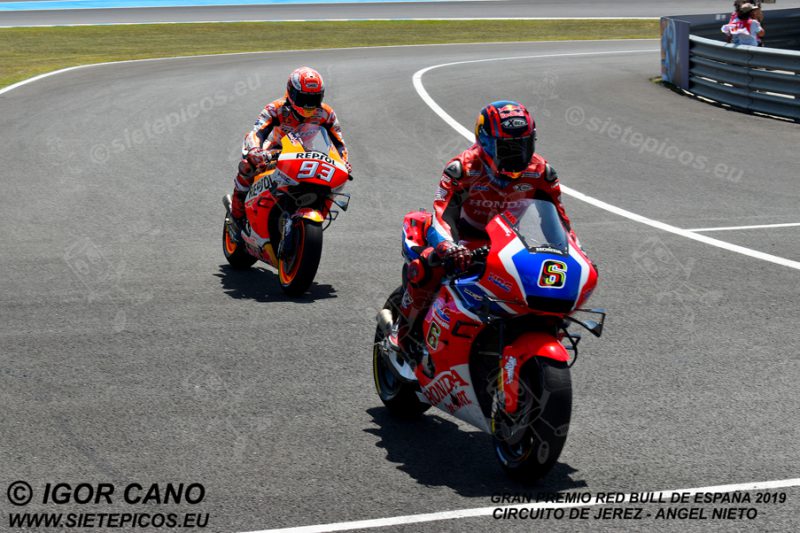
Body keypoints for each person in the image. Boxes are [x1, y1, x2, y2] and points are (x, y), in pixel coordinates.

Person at [386, 101, 577, 358]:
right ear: (485, 143)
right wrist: (448, 247)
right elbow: (442, 214)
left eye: (524, 145)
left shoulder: (541, 171)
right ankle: (404, 332)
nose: (517, 156)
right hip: (463, 240)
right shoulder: (462, 168)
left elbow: (560, 222)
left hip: (509, 243)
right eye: (508, 148)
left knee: (549, 279)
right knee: (428, 265)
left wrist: (575, 252)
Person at [229, 66, 350, 228]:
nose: (308, 105)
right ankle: (236, 217)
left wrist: (343, 162)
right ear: (291, 93)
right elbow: (257, 132)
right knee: (247, 166)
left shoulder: (326, 113)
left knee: (335, 179)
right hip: (275, 151)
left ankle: (317, 211)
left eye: (314, 99)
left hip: (311, 153)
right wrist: (255, 150)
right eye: (303, 98)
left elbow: (339, 143)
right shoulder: (276, 108)